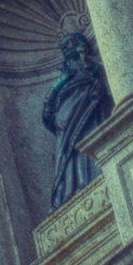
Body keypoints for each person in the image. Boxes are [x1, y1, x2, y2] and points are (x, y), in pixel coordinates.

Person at [41, 32, 111, 207]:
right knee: (69, 157)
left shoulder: (92, 67)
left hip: (89, 116)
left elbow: (103, 85)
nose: (67, 48)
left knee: (87, 146)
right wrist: (60, 83)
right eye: (64, 46)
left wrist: (86, 63)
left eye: (70, 43)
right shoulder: (64, 78)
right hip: (64, 129)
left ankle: (92, 180)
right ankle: (72, 191)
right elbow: (47, 114)